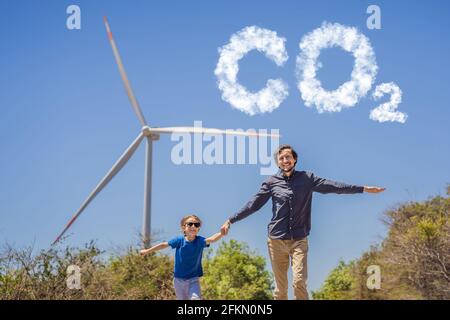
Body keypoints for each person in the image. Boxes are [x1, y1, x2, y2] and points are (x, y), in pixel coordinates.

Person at [220, 144, 385, 300]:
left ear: (295, 159)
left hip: (299, 239)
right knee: (281, 288)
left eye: (288, 157)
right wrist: (231, 220)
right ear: (278, 162)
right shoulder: (271, 183)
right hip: (276, 241)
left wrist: (362, 188)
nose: (285, 161)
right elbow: (253, 205)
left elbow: (334, 187)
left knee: (299, 282)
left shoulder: (307, 178)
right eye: (282, 158)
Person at [140, 214, 224, 300]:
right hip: (178, 280)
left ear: (198, 228)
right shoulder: (179, 240)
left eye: (196, 224)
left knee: (196, 299)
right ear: (184, 227)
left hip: (193, 279)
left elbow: (212, 239)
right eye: (190, 224)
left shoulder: (200, 241)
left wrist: (221, 233)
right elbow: (163, 245)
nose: (193, 226)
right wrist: (147, 251)